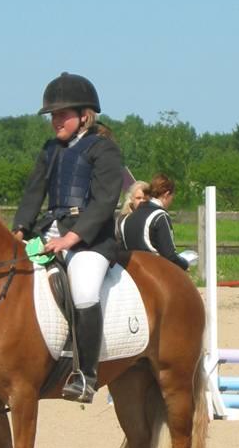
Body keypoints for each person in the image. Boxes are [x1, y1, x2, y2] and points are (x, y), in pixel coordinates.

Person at [12, 72, 123, 404]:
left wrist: (72, 238)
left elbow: (104, 201)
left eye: (62, 114)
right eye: (53, 115)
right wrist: (19, 228)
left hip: (91, 239)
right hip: (51, 229)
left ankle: (86, 375)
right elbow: (34, 192)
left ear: (84, 115)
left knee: (85, 289)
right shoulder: (51, 150)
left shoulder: (104, 150)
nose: (55, 121)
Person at [118, 173, 190, 270]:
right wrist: (185, 263)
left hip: (131, 276)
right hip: (155, 273)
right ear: (166, 194)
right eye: (172, 197)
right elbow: (170, 256)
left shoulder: (126, 220)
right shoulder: (160, 216)